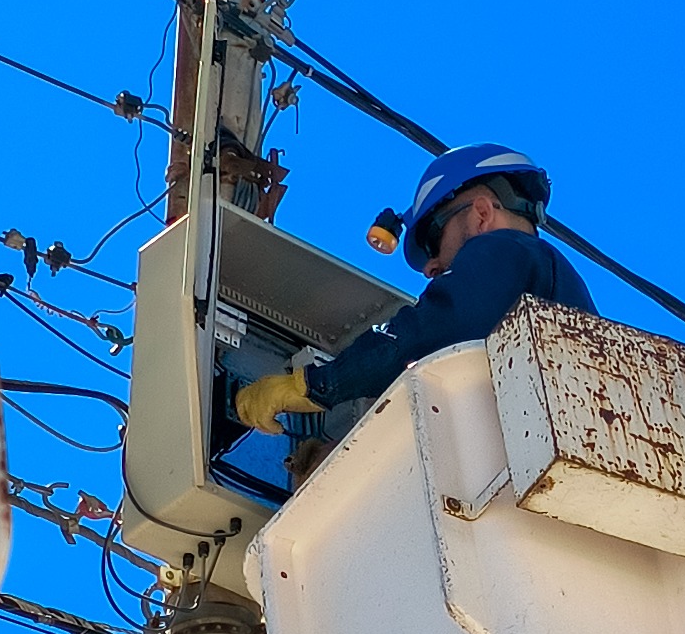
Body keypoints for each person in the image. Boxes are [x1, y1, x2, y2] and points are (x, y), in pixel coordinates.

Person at [235, 143, 597, 433]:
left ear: (481, 214)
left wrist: (313, 385)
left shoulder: (503, 247)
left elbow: (434, 328)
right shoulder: (558, 291)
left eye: (435, 241)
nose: (430, 268)